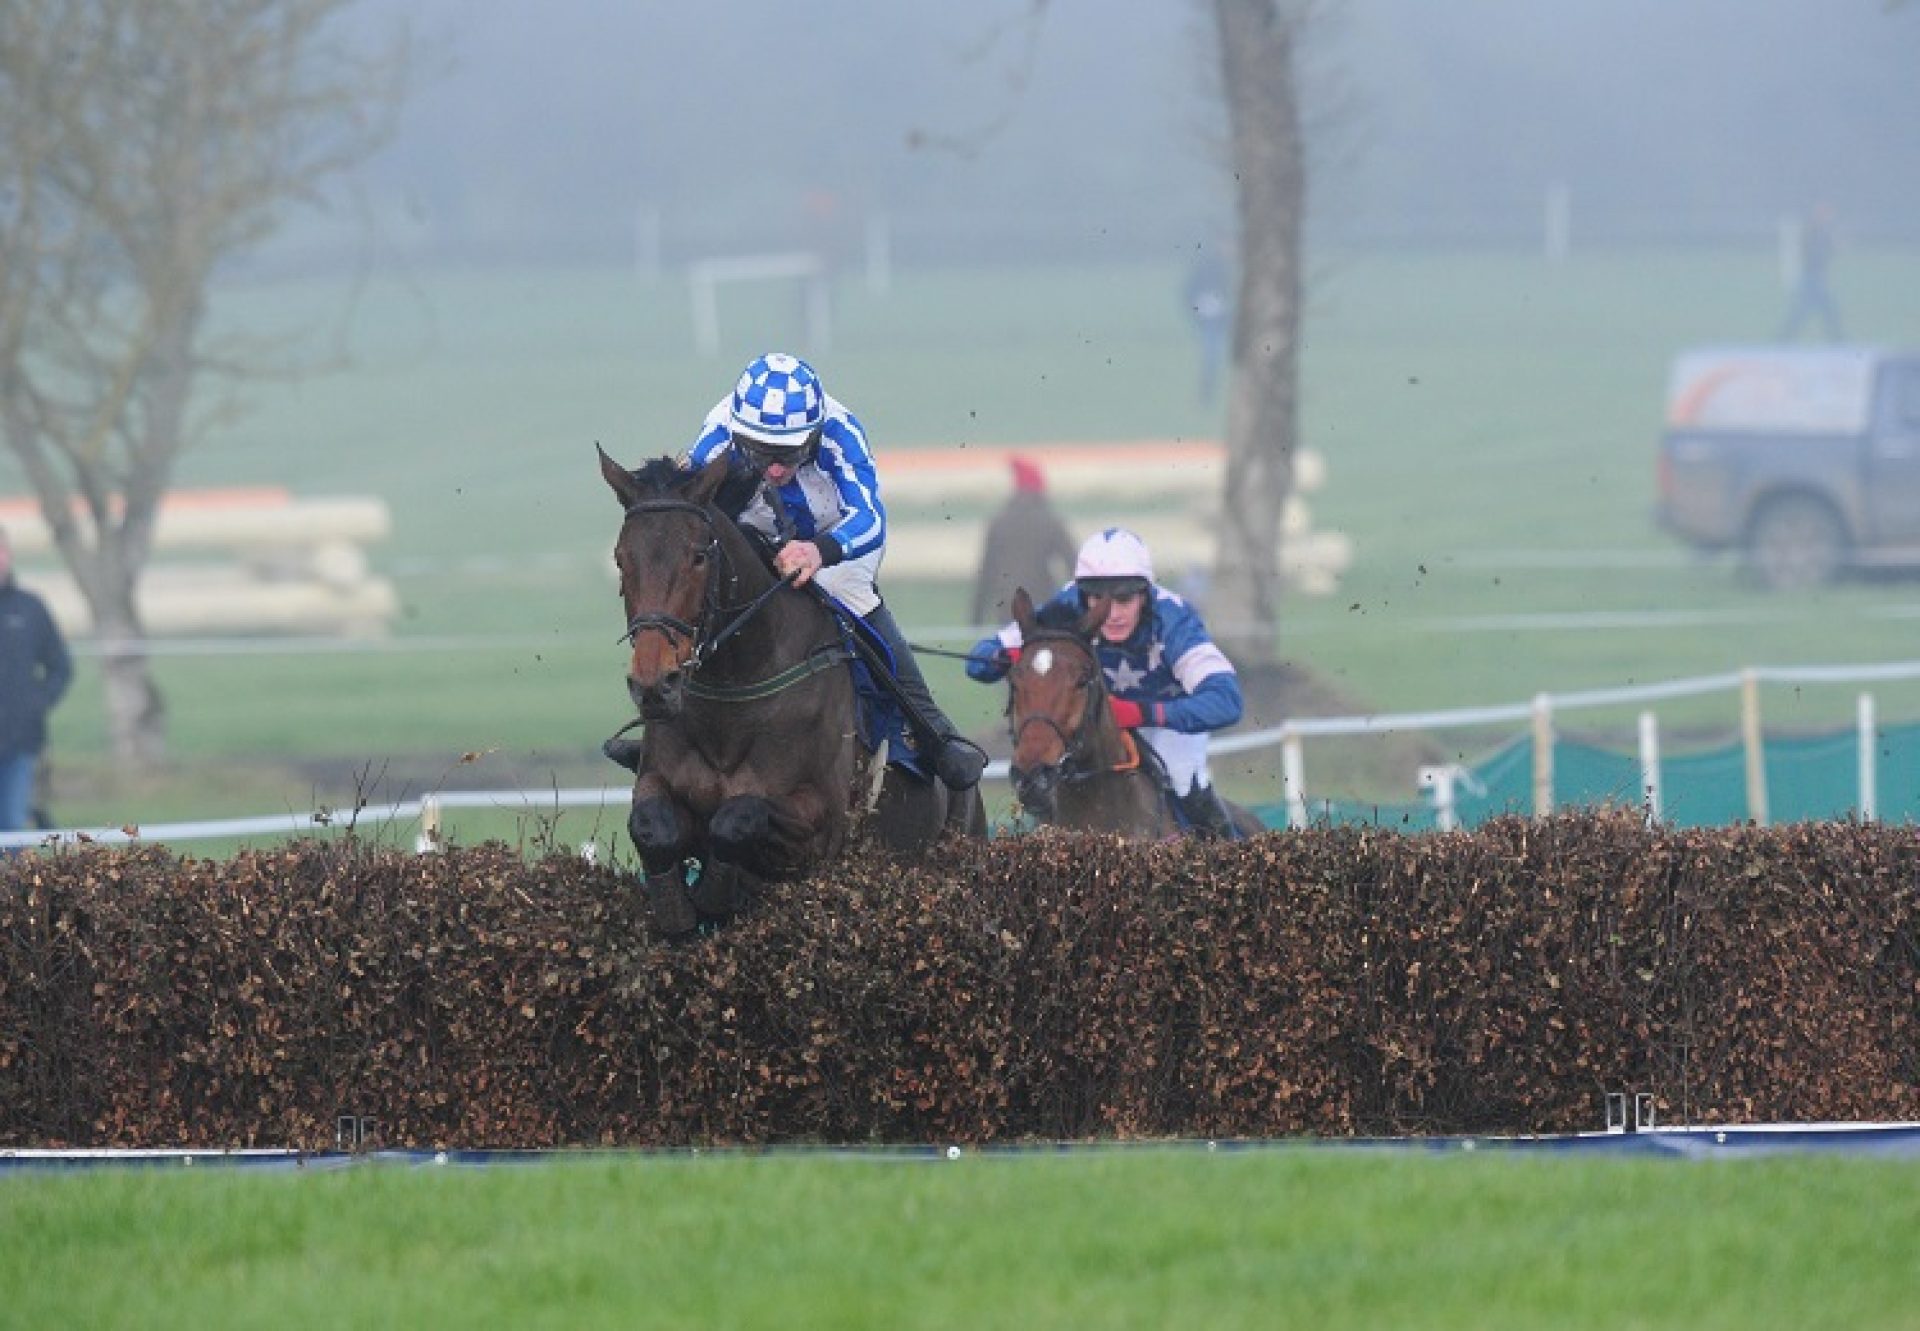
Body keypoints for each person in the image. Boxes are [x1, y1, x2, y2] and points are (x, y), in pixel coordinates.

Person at [620, 352, 984, 790]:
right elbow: (690, 513)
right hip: (754, 530)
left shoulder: (840, 431)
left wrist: (817, 552)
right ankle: (662, 739)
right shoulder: (719, 435)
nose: (774, 469)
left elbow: (870, 519)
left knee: (849, 596)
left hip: (835, 539)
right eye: (760, 454)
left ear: (811, 436)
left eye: (788, 454)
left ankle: (933, 732)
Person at [966, 526, 1243, 837]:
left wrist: (1143, 713)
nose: (1111, 613)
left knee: (1182, 777)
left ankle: (1228, 854)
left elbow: (1227, 701)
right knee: (1049, 773)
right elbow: (979, 662)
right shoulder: (1068, 605)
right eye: (1097, 598)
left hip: (1168, 723)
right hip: (1100, 720)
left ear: (1144, 594)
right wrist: (1015, 656)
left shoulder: (1173, 621)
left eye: (1124, 598)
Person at [0, 523, 73, 836]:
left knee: (13, 825)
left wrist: (35, 704)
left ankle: (16, 886)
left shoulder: (30, 609)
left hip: (20, 742)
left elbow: (60, 666)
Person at [968, 456, 1077, 628]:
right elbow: (1073, 564)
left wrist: (976, 617)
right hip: (1043, 606)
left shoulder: (999, 522)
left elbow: (986, 572)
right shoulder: (1049, 520)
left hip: (1007, 608)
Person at [1777, 203, 1845, 343]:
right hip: (1812, 277)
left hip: (1815, 277)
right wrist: (1832, 245)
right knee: (1825, 310)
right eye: (1825, 214)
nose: (1828, 217)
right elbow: (1814, 254)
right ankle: (1839, 341)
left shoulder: (1821, 231)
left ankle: (1782, 339)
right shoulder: (1812, 231)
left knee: (1805, 312)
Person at [1184, 239, 1233, 405]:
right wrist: (1197, 313)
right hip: (1211, 321)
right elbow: (1189, 292)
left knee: (1217, 359)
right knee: (1212, 359)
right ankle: (1206, 397)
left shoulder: (1226, 268)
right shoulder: (1209, 267)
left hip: (1222, 321)